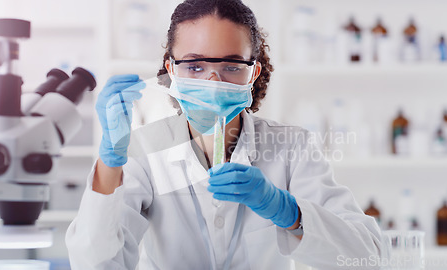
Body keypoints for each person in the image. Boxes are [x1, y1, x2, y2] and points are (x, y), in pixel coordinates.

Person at [66, 0, 383, 269]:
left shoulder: (292, 147)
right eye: (195, 66)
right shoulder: (145, 149)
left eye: (232, 66)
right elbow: (94, 263)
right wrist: (109, 163)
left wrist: (286, 211)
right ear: (171, 69)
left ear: (253, 72)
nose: (213, 81)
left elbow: (368, 258)